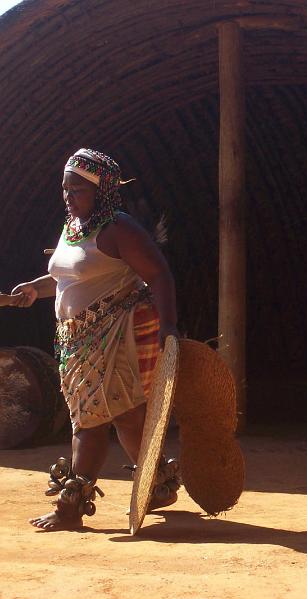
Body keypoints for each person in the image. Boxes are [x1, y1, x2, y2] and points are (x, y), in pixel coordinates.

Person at [12, 149, 180, 531]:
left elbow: (159, 275)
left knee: (89, 422)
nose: (69, 195)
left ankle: (70, 509)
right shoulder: (74, 225)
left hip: (114, 337)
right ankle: (158, 483)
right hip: (75, 342)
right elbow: (67, 276)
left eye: (78, 189)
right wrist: (33, 291)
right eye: (65, 187)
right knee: (126, 417)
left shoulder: (118, 229)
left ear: (101, 191)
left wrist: (169, 327)